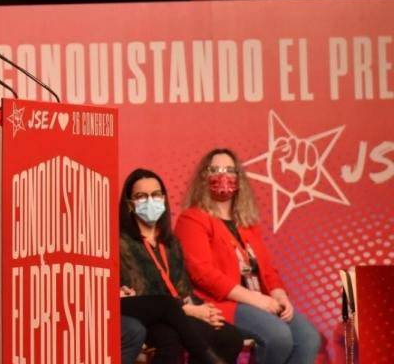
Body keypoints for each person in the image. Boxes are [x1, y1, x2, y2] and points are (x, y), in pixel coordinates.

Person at [175, 149, 322, 364]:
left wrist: (280, 296)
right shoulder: (192, 219)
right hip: (223, 303)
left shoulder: (246, 224)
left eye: (229, 170)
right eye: (215, 170)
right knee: (278, 337)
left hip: (259, 301)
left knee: (308, 338)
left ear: (239, 178)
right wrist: (256, 299)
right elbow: (202, 273)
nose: (223, 176)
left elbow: (268, 270)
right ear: (203, 177)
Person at [118, 169, 240, 364]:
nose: (150, 201)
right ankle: (210, 359)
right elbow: (139, 294)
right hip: (144, 314)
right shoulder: (120, 242)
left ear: (164, 200)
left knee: (230, 336)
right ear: (130, 205)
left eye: (156, 195)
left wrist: (204, 311)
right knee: (169, 336)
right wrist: (189, 311)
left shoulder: (171, 242)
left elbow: (182, 289)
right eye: (141, 196)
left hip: (175, 314)